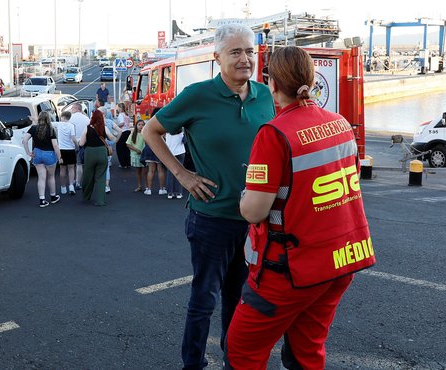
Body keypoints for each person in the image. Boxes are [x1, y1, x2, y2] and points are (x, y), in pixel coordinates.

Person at [226, 46, 376, 369]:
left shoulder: (273, 134)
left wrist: (241, 197)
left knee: (241, 351)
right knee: (306, 352)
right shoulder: (340, 125)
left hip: (288, 272)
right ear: (310, 80)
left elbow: (253, 211)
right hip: (338, 264)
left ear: (273, 85)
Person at [141, 23, 275, 369]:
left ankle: (235, 361)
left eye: (249, 51)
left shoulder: (266, 97)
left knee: (239, 300)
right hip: (211, 219)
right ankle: (193, 363)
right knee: (204, 299)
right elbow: (150, 130)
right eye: (235, 52)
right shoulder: (197, 95)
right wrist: (182, 174)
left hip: (254, 222)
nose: (245, 59)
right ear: (217, 58)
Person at [22, 111, 62, 207]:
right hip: (49, 154)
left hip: (37, 153)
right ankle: (53, 197)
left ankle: (42, 200)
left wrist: (28, 152)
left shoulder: (34, 128)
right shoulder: (51, 129)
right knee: (51, 176)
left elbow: (24, 140)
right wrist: (60, 157)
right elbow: (55, 145)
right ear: (48, 119)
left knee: (41, 177)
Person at [78, 109, 115, 206]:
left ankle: (86, 196)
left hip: (90, 152)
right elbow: (112, 138)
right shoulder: (105, 128)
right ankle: (100, 200)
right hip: (102, 152)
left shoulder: (87, 128)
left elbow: (81, 143)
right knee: (101, 177)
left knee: (88, 176)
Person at [57, 110, 78, 195]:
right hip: (70, 149)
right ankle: (71, 186)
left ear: (63, 117)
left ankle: (63, 187)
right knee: (71, 168)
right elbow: (73, 137)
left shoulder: (58, 124)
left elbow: (49, 123)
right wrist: (77, 145)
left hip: (61, 149)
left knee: (62, 169)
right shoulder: (72, 126)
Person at [69, 104, 90, 190]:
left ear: (76, 108)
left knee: (71, 165)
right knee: (79, 164)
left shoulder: (70, 118)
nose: (71, 109)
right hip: (83, 142)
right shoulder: (86, 119)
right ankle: (78, 182)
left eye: (72, 108)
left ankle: (72, 181)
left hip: (71, 144)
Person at [126, 119, 147, 192]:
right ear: (136, 126)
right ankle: (139, 186)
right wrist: (136, 150)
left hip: (144, 155)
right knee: (138, 172)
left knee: (145, 172)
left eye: (142, 125)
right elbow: (128, 144)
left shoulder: (145, 134)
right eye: (139, 125)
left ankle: (147, 186)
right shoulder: (133, 134)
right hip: (136, 155)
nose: (141, 126)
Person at [164, 131, 186, 199]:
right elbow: (185, 141)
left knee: (170, 173)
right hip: (180, 151)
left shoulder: (166, 130)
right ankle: (179, 192)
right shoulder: (181, 129)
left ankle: (170, 193)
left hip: (169, 152)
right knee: (180, 173)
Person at [114, 102, 132, 168]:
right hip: (128, 131)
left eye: (118, 107)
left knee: (119, 148)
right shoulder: (126, 115)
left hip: (123, 132)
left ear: (120, 108)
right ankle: (127, 163)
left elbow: (122, 123)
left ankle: (123, 163)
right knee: (126, 148)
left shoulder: (120, 115)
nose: (117, 109)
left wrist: (116, 126)